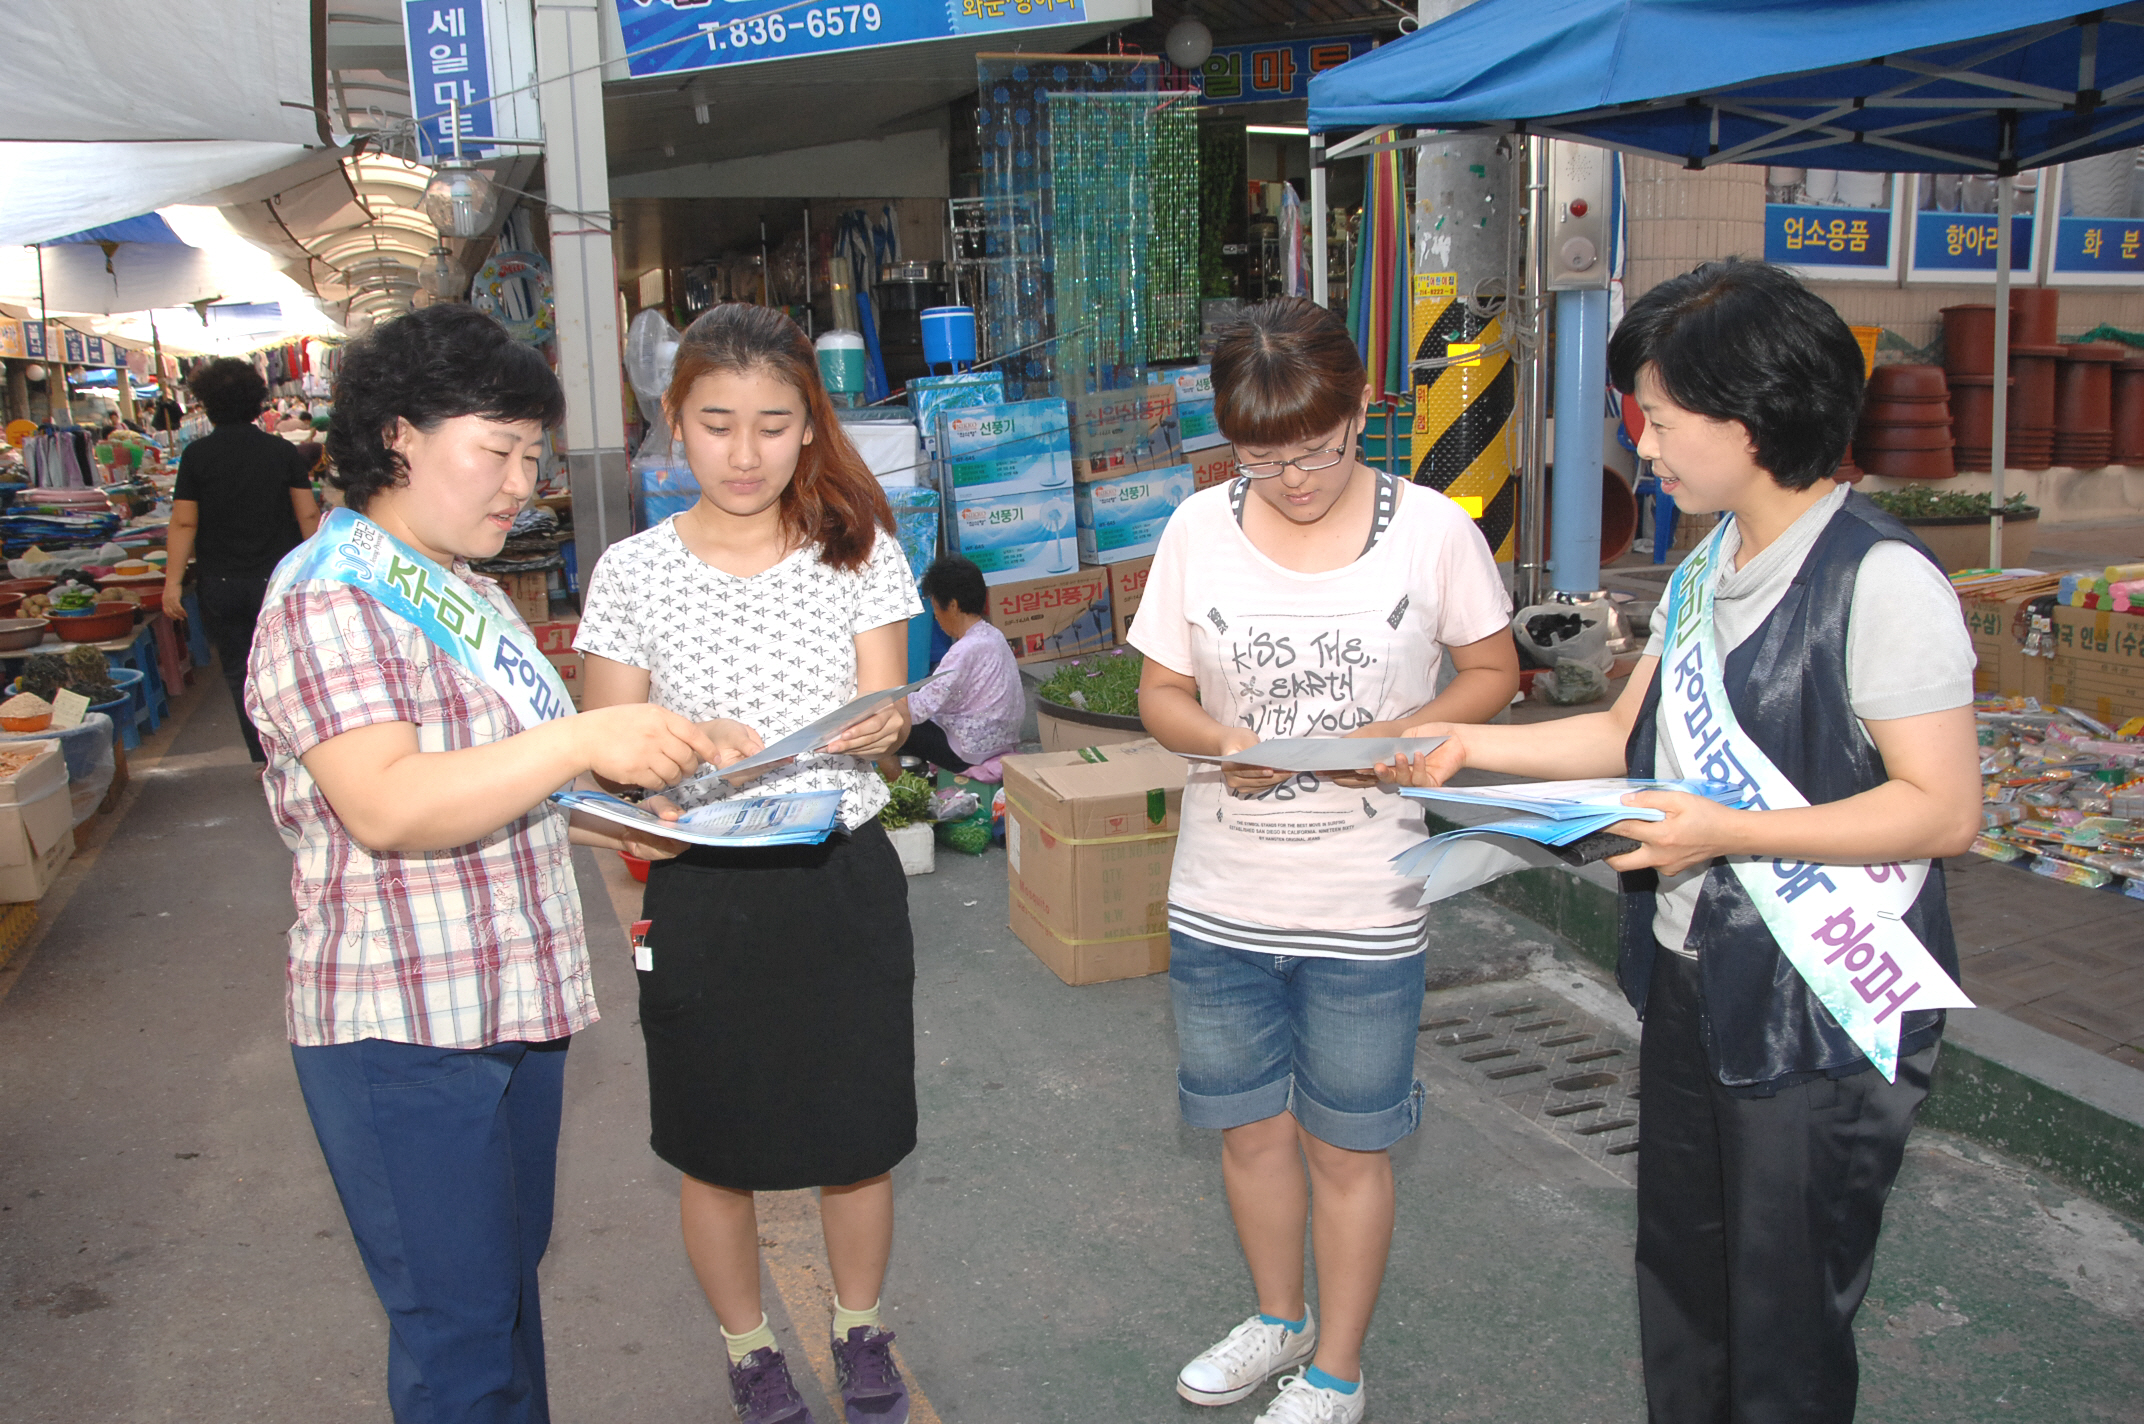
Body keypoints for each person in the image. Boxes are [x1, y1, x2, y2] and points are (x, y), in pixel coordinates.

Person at [1382, 260, 1981, 1422]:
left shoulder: (1882, 579)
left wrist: (1727, 827)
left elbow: (1940, 805)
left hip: (1818, 1008)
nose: (1641, 446)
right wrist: (1460, 748)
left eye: (1656, 417)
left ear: (1750, 417)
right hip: (1692, 979)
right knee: (1682, 1283)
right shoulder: (1709, 562)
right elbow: (1623, 730)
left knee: (1782, 1324)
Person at [244, 304, 737, 1424]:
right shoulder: (330, 594)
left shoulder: (454, 586)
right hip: (402, 1028)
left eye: (532, 453)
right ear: (402, 435)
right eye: (498, 448)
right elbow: (388, 803)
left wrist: (676, 775)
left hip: (505, 1007)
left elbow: (525, 787)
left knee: (500, 1307)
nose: (520, 481)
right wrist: (579, 737)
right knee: (459, 1342)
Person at [1128, 296, 1519, 1424]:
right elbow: (1160, 690)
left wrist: (1410, 737)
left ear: (1361, 411)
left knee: (1346, 1144)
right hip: (1219, 895)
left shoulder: (1432, 528)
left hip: (1363, 902)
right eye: (1259, 458)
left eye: (1316, 449)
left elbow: (1490, 670)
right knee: (1247, 1131)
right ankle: (1276, 1315)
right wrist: (1219, 742)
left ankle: (1336, 1370)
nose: (1292, 479)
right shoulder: (1197, 528)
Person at [574, 302, 926, 1424]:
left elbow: (890, 705)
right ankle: (747, 1345)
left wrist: (887, 723)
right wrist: (655, 781)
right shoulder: (631, 571)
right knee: (711, 1143)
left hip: (839, 873)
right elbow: (604, 746)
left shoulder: (858, 548)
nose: (743, 452)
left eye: (772, 424)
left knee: (856, 1133)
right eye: (716, 422)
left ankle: (858, 1326)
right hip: (702, 886)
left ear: (806, 425)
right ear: (673, 423)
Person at [164, 357, 323, 763]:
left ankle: (263, 757)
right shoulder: (280, 452)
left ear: (206, 403)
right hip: (281, 581)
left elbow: (183, 523)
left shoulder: (196, 457)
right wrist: (320, 570)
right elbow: (308, 514)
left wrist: (172, 584)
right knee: (291, 665)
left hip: (222, 584)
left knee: (239, 670)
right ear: (257, 401)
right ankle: (303, 749)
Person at [878, 553, 1022, 777]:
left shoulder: (964, 650)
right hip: (1001, 738)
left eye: (936, 609)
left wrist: (879, 704)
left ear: (952, 605)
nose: (936, 617)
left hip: (970, 749)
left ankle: (902, 791)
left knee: (883, 726)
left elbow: (918, 709)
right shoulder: (994, 636)